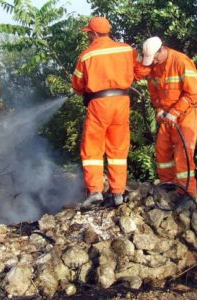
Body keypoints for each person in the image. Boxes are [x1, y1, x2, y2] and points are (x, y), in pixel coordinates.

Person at [71, 17, 149, 207]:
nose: (88, 35)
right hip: (122, 102)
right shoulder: (126, 49)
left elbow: (77, 84)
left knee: (92, 148)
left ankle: (95, 191)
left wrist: (87, 91)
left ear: (94, 33)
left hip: (99, 104)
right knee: (118, 149)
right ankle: (118, 194)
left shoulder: (87, 55)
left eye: (89, 32)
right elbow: (142, 70)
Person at [140, 36, 197, 196]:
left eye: (154, 57)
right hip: (167, 116)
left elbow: (193, 93)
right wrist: (160, 109)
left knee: (183, 154)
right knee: (162, 150)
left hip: (186, 114)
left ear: (161, 50)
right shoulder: (155, 67)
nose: (153, 61)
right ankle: (168, 184)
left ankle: (187, 193)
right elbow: (154, 92)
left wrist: (174, 112)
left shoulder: (181, 61)